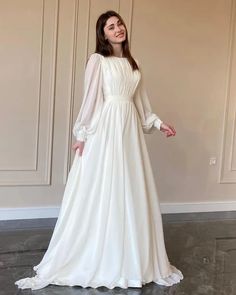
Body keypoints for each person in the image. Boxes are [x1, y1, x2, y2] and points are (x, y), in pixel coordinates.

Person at [15, 10, 183, 290]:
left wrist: (159, 123)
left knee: (130, 188)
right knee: (104, 186)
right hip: (106, 129)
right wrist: (82, 133)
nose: (118, 29)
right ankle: (97, 255)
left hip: (129, 130)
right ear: (103, 34)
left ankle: (131, 258)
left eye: (120, 24)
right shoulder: (97, 60)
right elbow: (91, 99)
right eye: (111, 27)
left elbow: (142, 105)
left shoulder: (134, 63)